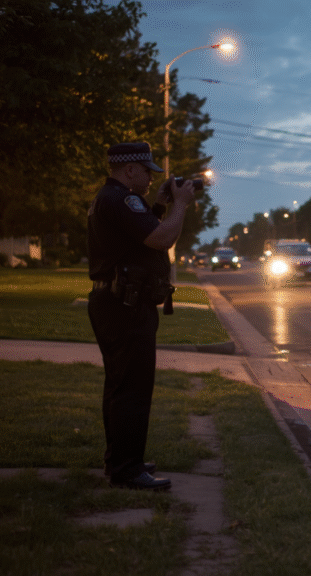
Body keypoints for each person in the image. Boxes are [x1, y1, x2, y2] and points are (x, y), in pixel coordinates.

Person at [87, 142, 195, 491]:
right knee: (133, 387)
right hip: (124, 306)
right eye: (146, 170)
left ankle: (120, 459)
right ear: (129, 170)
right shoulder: (121, 199)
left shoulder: (113, 198)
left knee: (120, 384)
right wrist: (180, 204)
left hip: (118, 302)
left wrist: (162, 203)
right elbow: (160, 237)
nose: (151, 176)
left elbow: (139, 236)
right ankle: (127, 468)